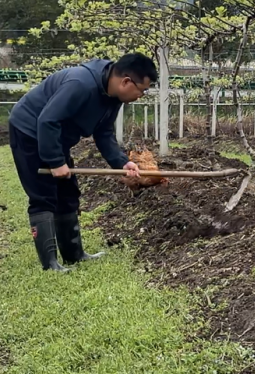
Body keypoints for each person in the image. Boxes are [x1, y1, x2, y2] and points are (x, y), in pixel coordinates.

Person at [8, 53, 156, 271]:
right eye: (142, 90)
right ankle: (50, 264)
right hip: (29, 131)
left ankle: (74, 254)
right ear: (126, 81)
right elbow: (47, 120)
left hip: (55, 136)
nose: (141, 95)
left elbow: (104, 132)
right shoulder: (81, 84)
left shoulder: (113, 97)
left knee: (68, 193)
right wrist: (55, 161)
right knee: (44, 195)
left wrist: (122, 163)